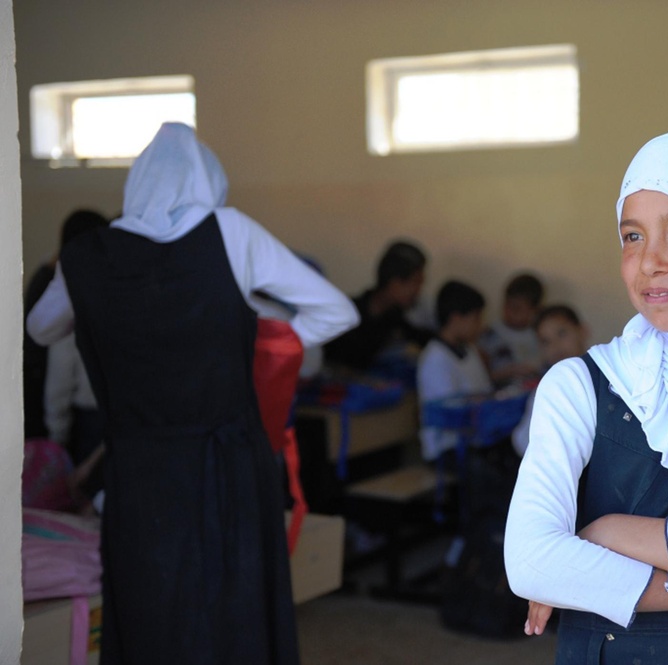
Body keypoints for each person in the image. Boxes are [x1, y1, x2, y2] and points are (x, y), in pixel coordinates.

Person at [26, 122, 360, 665]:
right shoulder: (228, 231)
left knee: (149, 606)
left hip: (138, 469)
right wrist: (264, 343)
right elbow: (337, 311)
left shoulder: (88, 254)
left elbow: (42, 328)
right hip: (226, 461)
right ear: (210, 181)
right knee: (234, 607)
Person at [504, 127, 668, 664]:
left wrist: (605, 537)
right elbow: (531, 563)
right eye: (632, 236)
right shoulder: (581, 385)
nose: (651, 261)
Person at [23, 209, 109, 439]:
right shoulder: (67, 283)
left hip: (59, 402)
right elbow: (55, 353)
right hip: (57, 401)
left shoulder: (48, 275)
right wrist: (56, 431)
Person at [323, 239, 434, 373]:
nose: (418, 290)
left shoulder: (394, 319)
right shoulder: (346, 315)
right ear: (395, 283)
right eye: (416, 282)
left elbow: (422, 337)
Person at [416, 280, 492, 461]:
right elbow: (451, 411)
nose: (480, 325)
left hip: (474, 441)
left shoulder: (470, 350)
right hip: (446, 449)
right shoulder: (435, 358)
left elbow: (484, 391)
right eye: (476, 318)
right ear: (456, 318)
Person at [510, 304, 589, 457]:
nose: (556, 346)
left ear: (583, 331)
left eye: (562, 334)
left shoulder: (608, 376)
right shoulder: (545, 389)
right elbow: (524, 441)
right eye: (545, 341)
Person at [478, 272, 545, 388]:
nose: (509, 312)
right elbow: (480, 377)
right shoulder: (489, 335)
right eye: (507, 305)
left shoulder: (540, 335)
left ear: (534, 310)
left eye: (517, 309)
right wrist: (508, 372)